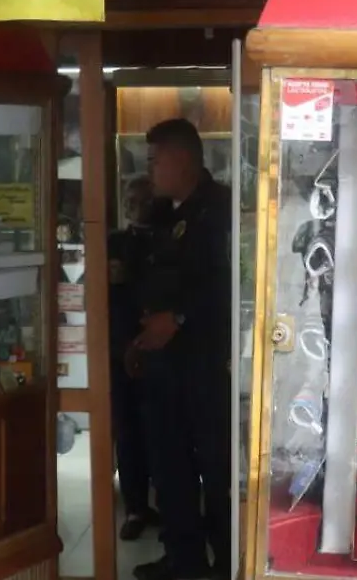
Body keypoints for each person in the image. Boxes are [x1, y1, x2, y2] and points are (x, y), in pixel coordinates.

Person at [130, 118, 232, 580]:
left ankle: (225, 561)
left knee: (215, 467)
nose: (149, 169)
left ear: (184, 159)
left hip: (205, 363)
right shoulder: (159, 214)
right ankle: (182, 558)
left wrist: (180, 317)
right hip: (161, 364)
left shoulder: (220, 209)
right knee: (169, 465)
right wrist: (138, 338)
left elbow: (227, 284)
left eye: (156, 160)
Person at [108, 175, 159, 540]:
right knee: (127, 432)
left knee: (162, 431)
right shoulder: (114, 241)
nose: (134, 207)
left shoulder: (168, 239)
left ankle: (173, 507)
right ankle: (136, 507)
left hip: (160, 348)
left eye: (142, 200)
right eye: (129, 200)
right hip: (120, 346)